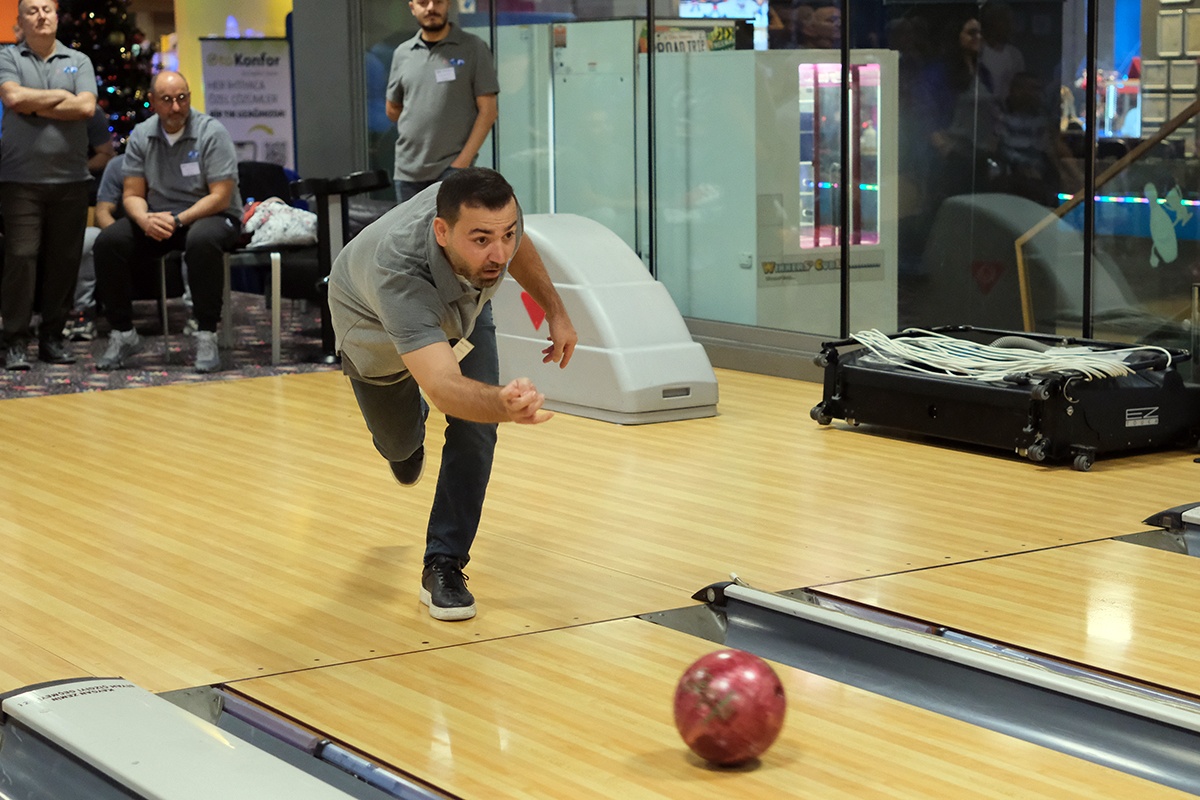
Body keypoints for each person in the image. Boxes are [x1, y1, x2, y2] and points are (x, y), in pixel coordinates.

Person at [328, 167, 578, 622]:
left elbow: (518, 245)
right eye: (481, 240)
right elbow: (445, 389)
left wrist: (556, 311)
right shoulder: (396, 271)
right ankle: (411, 413)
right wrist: (500, 402)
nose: (498, 253)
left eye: (506, 235)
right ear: (441, 232)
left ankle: (443, 563)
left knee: (477, 428)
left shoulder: (493, 221)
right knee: (401, 449)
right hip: (374, 333)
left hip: (460, 311)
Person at [93, 70, 242, 373]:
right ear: (152, 101)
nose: (176, 107)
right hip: (160, 217)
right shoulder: (141, 135)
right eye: (167, 100)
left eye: (182, 98)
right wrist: (144, 219)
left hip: (212, 216)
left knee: (201, 240)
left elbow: (221, 196)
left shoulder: (211, 132)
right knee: (108, 242)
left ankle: (206, 333)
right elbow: (132, 194)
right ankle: (123, 333)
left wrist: (178, 219)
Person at [0, 0, 97, 370]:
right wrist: (61, 97)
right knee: (21, 258)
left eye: (47, 9)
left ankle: (52, 338)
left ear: (57, 16)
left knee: (64, 262)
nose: (41, 16)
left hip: (72, 180)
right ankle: (15, 340)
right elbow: (12, 97)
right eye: (32, 11)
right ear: (20, 20)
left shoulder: (79, 60)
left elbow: (86, 108)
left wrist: (33, 104)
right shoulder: (8, 57)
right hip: (20, 180)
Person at [386, 0, 499, 203]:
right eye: (423, 2)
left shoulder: (473, 47)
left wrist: (462, 163)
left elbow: (489, 111)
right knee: (411, 225)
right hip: (407, 172)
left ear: (448, 4)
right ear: (412, 8)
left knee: (448, 224)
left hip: (452, 169)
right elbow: (393, 109)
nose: (431, 8)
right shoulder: (402, 53)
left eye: (438, 1)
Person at [64, 153, 124, 342]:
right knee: (87, 238)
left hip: (171, 224)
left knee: (195, 237)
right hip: (121, 230)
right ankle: (84, 312)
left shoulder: (176, 161)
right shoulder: (118, 165)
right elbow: (102, 211)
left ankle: (195, 313)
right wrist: (117, 235)